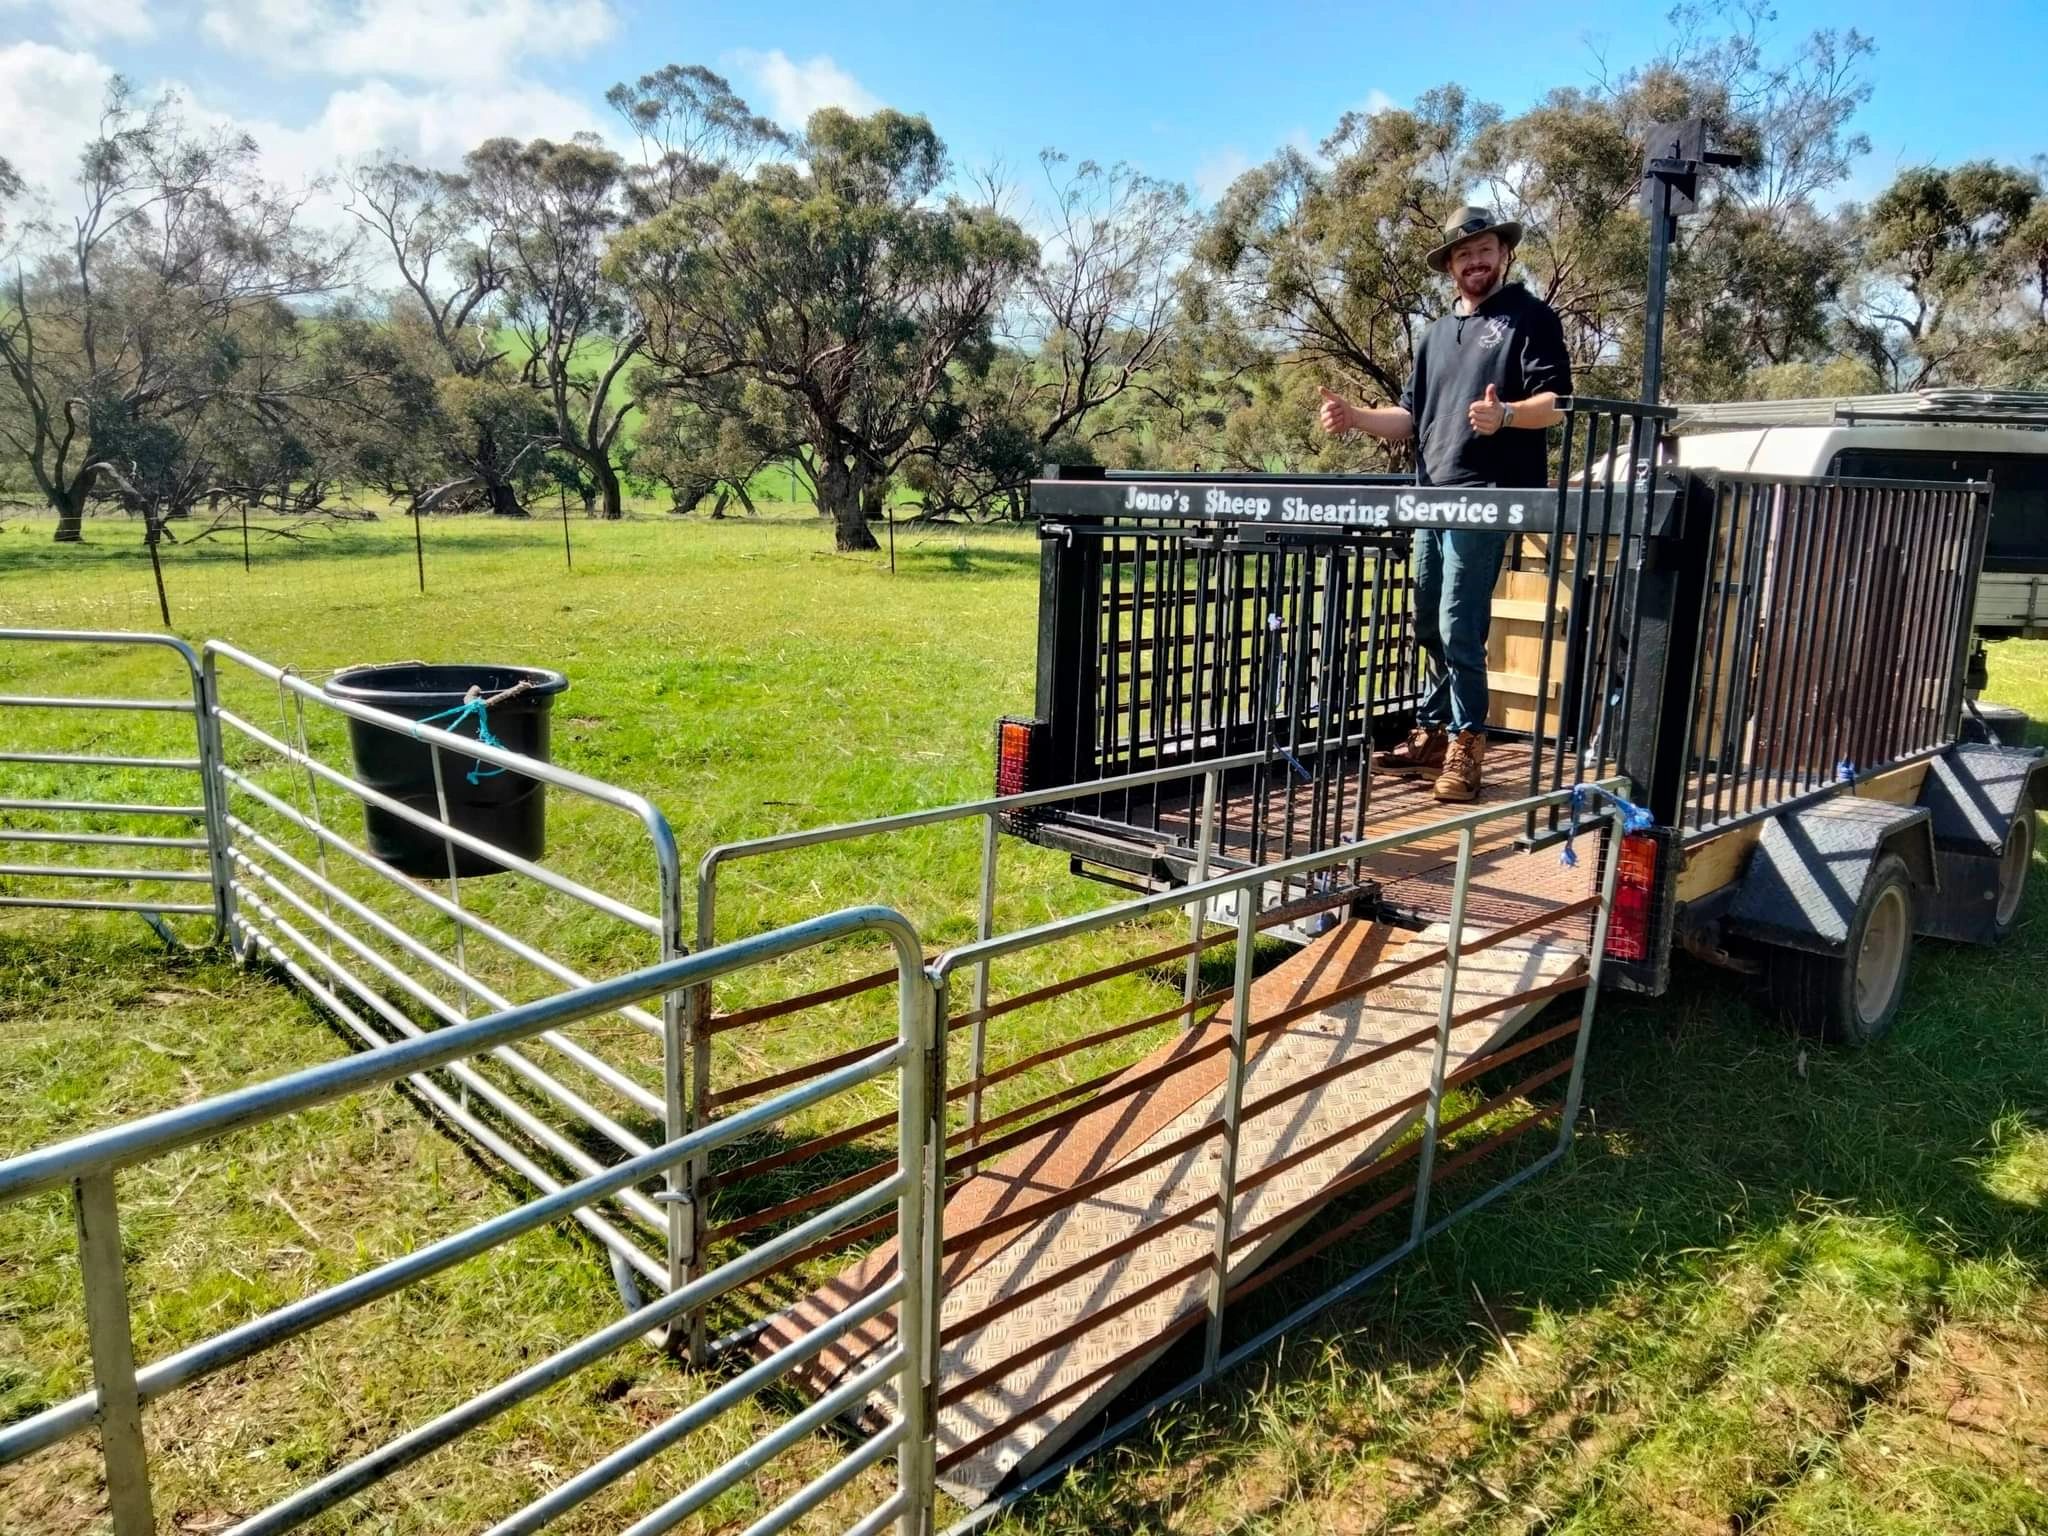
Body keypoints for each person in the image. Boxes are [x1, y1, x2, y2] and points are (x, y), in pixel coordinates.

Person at [1317, 205, 1573, 802]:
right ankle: (1435, 729)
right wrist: (1355, 417)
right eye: (1464, 254)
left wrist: (1506, 414)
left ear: (1503, 254)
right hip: (1430, 496)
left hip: (1487, 498)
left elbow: (1556, 403)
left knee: (1461, 621)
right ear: (1450, 267)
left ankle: (1466, 743)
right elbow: (1411, 417)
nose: (1476, 261)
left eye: (1484, 250)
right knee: (1428, 618)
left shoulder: (1530, 318)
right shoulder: (1434, 335)